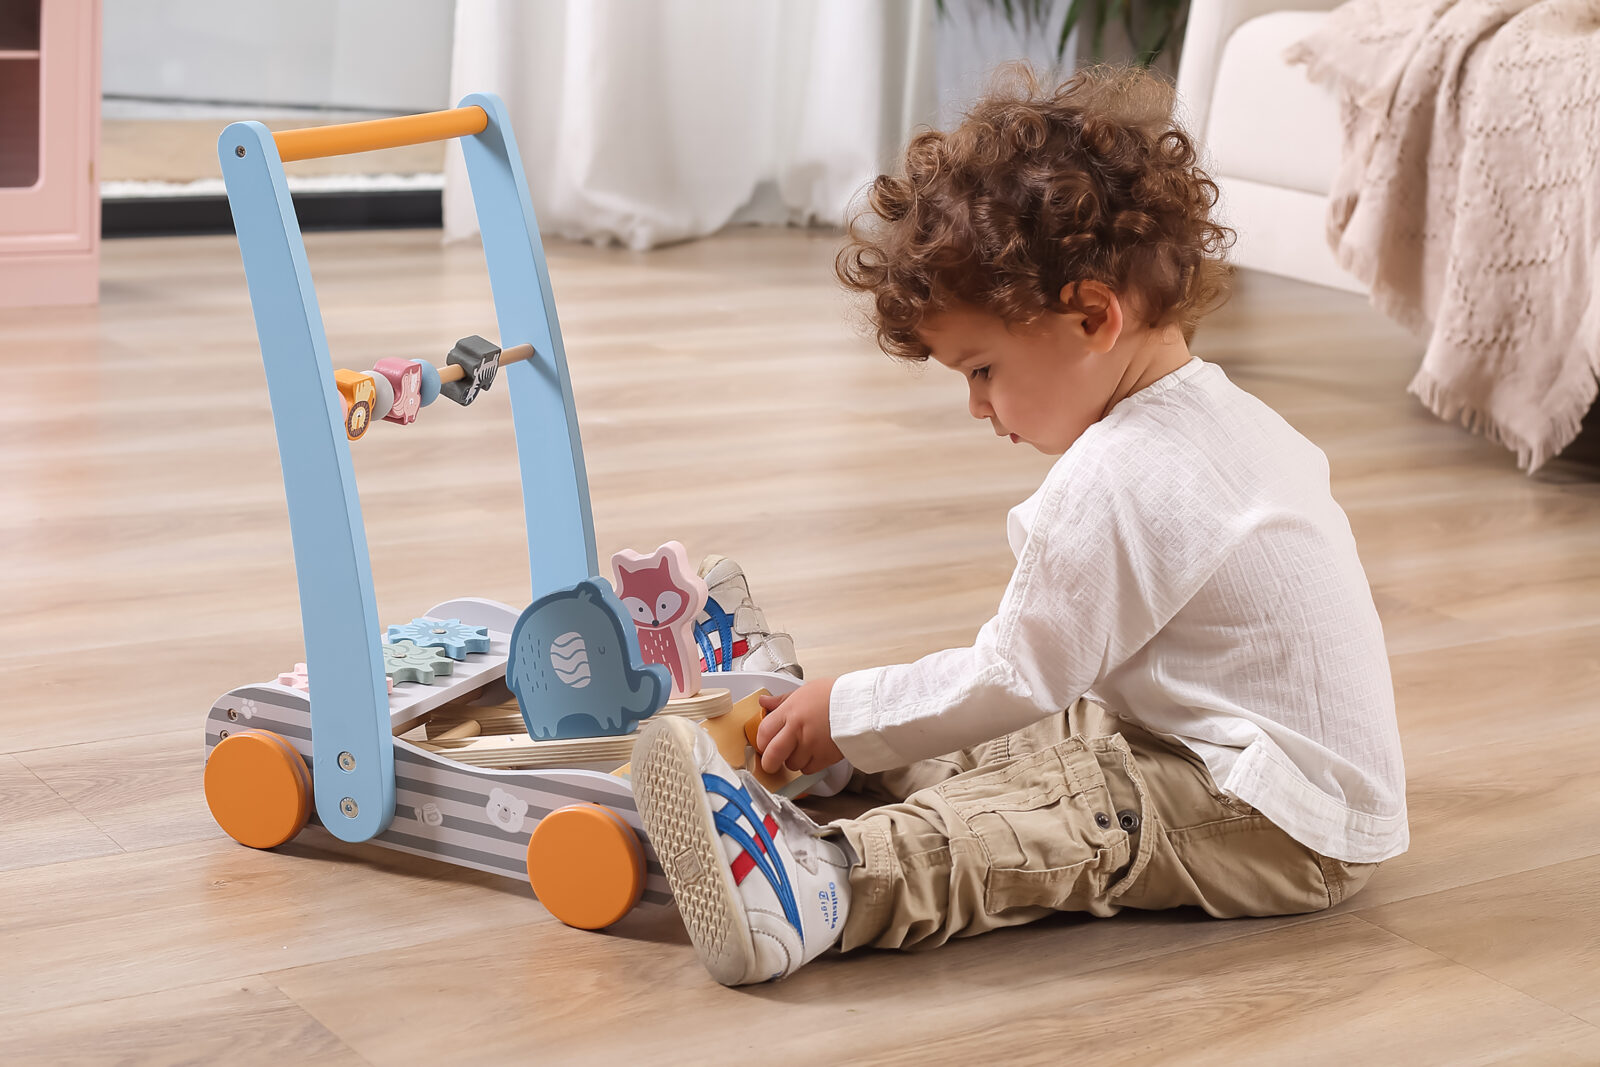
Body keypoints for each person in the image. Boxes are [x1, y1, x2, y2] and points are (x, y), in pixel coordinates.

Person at [630, 64, 1408, 988]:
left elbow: (1014, 672)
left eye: (983, 369)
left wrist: (849, 704)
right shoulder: (1218, 413)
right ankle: (829, 764)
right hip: (1245, 757)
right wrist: (853, 717)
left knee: (1069, 808)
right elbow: (1046, 682)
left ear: (1091, 316)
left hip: (1278, 818)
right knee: (1057, 732)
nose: (975, 404)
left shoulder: (1115, 474)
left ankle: (823, 883)